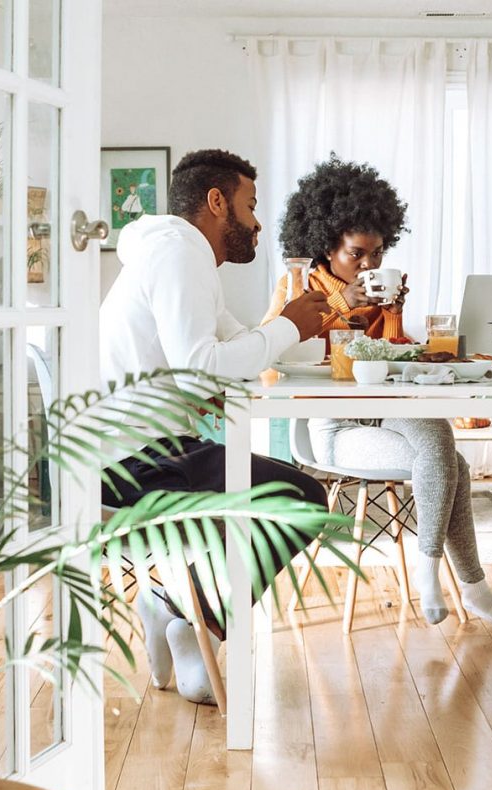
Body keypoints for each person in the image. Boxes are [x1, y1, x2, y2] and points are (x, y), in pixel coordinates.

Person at [101, 148, 333, 704]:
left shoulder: (180, 256)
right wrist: (287, 326)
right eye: (250, 206)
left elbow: (230, 348)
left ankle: (175, 608)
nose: (257, 224)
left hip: (144, 449)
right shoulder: (178, 254)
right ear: (216, 202)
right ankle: (191, 620)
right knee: (301, 499)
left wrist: (291, 330)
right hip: (130, 463)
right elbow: (203, 366)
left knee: (282, 489)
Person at [261, 156, 492, 628]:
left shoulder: (378, 291)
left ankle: (434, 572)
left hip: (386, 409)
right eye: (356, 254)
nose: (369, 265)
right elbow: (271, 360)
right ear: (326, 245)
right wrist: (342, 302)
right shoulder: (298, 287)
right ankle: (469, 586)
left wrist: (393, 315)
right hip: (334, 424)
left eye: (378, 253)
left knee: (439, 438)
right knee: (451, 463)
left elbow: (387, 360)